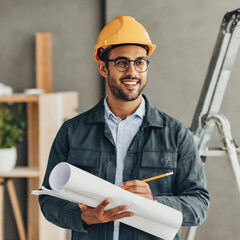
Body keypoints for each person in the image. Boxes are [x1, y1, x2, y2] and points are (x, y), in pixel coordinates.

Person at [39, 16, 210, 240]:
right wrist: (85, 217)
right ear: (103, 67)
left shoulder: (176, 135)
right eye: (122, 62)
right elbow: (49, 199)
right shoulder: (72, 132)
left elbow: (199, 205)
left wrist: (155, 202)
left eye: (140, 62)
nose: (132, 72)